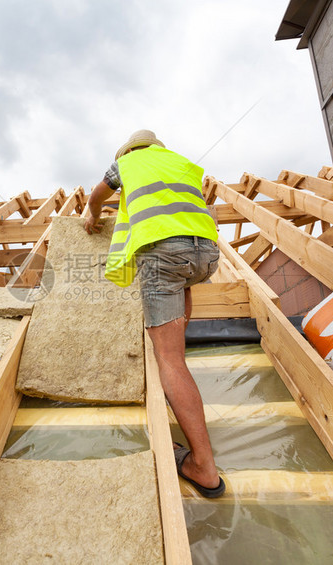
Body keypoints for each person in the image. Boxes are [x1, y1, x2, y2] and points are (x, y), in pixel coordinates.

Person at [84, 129, 225, 497]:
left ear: (129, 150)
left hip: (164, 253)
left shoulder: (127, 162)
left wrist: (91, 215)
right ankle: (178, 384)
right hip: (205, 255)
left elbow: (96, 196)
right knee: (180, 299)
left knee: (170, 360)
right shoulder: (181, 164)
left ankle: (203, 467)